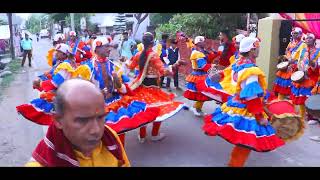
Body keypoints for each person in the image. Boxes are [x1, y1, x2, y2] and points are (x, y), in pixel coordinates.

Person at [202, 37, 285, 167]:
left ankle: (234, 163)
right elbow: (251, 96)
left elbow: (223, 74)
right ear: (252, 50)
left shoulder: (237, 63)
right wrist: (259, 117)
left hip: (234, 104)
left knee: (242, 141)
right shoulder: (250, 70)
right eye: (257, 47)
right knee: (246, 141)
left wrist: (217, 74)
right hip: (247, 109)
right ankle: (234, 164)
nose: (258, 50)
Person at [25, 79, 130, 167]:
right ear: (58, 120)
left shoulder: (110, 137)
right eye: (83, 121)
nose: (96, 130)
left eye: (100, 117)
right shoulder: (42, 163)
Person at [126, 32, 186, 143]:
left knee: (143, 110)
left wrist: (124, 61)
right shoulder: (153, 55)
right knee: (158, 109)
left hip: (141, 86)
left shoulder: (138, 54)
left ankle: (142, 136)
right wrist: (177, 64)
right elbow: (164, 71)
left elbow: (130, 66)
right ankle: (154, 134)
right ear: (153, 43)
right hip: (153, 87)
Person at [16, 43, 91, 125]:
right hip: (62, 95)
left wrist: (40, 84)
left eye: (58, 52)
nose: (56, 53)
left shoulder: (66, 65)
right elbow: (50, 75)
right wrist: (41, 80)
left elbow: (55, 83)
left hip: (64, 97)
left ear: (64, 54)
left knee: (48, 113)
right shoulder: (61, 63)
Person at [290, 33, 319, 123]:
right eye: (307, 38)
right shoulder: (303, 50)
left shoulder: (318, 51)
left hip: (312, 77)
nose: (308, 39)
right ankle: (302, 116)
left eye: (310, 38)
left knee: (309, 97)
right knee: (301, 96)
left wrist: (312, 63)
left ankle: (312, 116)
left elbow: (317, 66)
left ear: (314, 41)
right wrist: (292, 63)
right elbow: (298, 61)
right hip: (302, 75)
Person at [183, 36, 215, 117]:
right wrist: (213, 66)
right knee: (202, 93)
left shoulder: (199, 51)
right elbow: (203, 66)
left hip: (200, 74)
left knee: (198, 93)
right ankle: (196, 108)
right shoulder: (198, 53)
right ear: (199, 43)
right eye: (203, 42)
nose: (204, 43)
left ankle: (193, 106)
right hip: (199, 75)